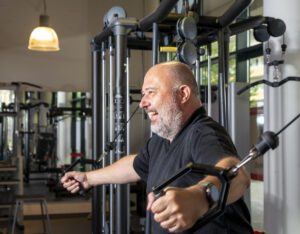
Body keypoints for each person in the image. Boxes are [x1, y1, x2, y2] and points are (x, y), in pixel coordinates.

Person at [61, 61, 253, 233]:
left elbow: (237, 174)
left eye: (151, 92)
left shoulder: (202, 133)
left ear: (183, 94)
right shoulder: (162, 138)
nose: (143, 103)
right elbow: (134, 165)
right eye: (143, 95)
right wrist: (88, 178)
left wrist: (200, 196)